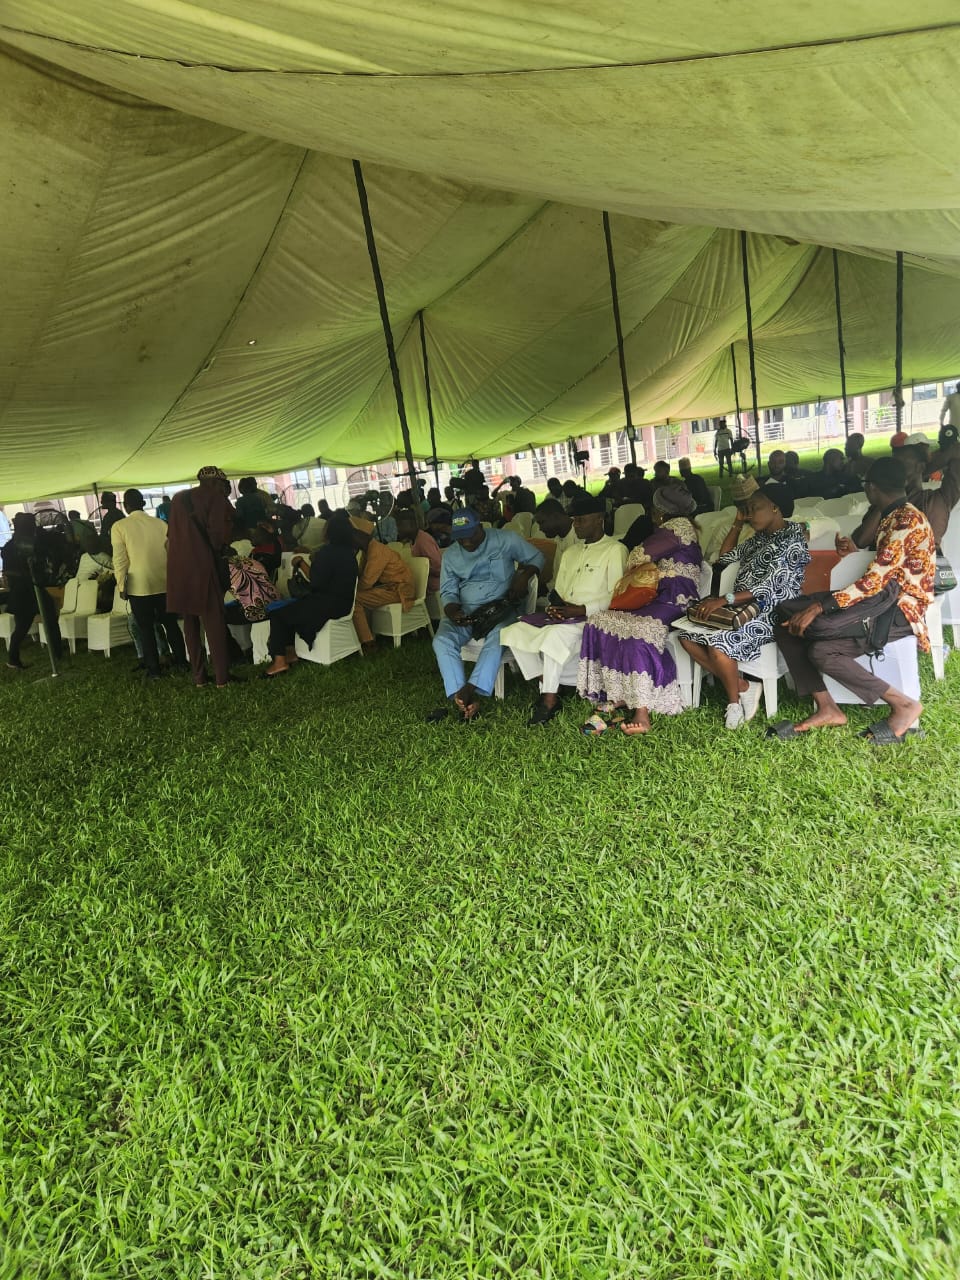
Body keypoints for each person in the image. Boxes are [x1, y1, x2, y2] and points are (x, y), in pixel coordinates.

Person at [773, 457, 935, 742]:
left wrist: (819, 607)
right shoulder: (895, 515)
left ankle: (904, 705)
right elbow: (885, 569)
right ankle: (828, 708)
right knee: (798, 632)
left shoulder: (906, 521)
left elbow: (874, 582)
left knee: (812, 627)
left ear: (871, 488)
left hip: (898, 611)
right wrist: (854, 554)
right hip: (880, 601)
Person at [678, 484, 809, 728]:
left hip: (772, 611)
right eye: (746, 510)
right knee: (687, 638)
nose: (749, 515)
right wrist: (737, 524)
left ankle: (734, 704)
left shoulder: (792, 539)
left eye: (754, 508)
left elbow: (768, 588)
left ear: (774, 508)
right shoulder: (760, 538)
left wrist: (724, 599)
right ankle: (744, 686)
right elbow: (725, 559)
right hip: (741, 607)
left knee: (718, 643)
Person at [578, 484, 703, 735]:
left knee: (638, 634)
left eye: (653, 510)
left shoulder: (677, 527)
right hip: (657, 601)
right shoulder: (677, 527)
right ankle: (620, 694)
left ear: (660, 511)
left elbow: (636, 557)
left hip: (675, 602)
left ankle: (642, 712)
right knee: (600, 621)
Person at [501, 496, 627, 725]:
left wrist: (581, 609)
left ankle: (548, 699)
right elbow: (560, 590)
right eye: (574, 520)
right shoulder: (571, 552)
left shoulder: (615, 550)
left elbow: (616, 596)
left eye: (581, 520)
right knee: (514, 631)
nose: (576, 525)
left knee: (553, 636)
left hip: (592, 618)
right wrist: (556, 608)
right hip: (565, 616)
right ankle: (549, 681)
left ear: (599, 519)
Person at [430, 509, 544, 721]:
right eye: (460, 537)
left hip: (502, 609)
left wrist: (524, 574)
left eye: (470, 535)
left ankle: (471, 688)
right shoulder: (451, 555)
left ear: (480, 527)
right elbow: (448, 591)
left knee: (499, 635)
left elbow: (537, 557)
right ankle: (462, 696)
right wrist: (453, 610)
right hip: (465, 611)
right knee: (442, 640)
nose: (466, 542)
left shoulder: (505, 539)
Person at [263, 511, 359, 677]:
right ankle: (291, 654)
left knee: (279, 614)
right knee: (292, 610)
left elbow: (315, 581)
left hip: (326, 604)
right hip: (344, 604)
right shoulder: (350, 554)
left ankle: (279, 662)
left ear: (329, 533)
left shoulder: (328, 552)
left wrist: (300, 563)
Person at [166, 465, 235, 688]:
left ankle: (199, 678)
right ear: (216, 483)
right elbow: (217, 536)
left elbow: (170, 535)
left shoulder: (178, 498)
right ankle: (222, 678)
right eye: (223, 485)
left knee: (190, 622)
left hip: (178, 567)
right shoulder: (215, 498)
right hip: (204, 565)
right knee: (213, 622)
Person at [111, 488, 187, 680]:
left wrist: (121, 585)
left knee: (146, 628)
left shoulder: (119, 526)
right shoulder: (160, 523)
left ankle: (154, 670)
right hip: (164, 581)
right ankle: (182, 662)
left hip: (139, 585)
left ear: (126, 505)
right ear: (143, 503)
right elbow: (172, 553)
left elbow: (120, 560)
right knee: (170, 624)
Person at [846, 438, 960, 553]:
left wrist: (926, 469)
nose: (894, 470)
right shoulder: (884, 501)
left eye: (901, 465)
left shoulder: (936, 499)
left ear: (920, 467)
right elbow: (861, 540)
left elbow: (956, 452)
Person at [1, 512, 63, 670]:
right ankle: (57, 654)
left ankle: (57, 654)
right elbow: (10, 571)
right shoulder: (15, 547)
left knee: (29, 624)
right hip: (26, 589)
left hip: (26, 588)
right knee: (33, 623)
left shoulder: (13, 546)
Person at [351, 517, 415, 652]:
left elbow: (366, 582)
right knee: (354, 596)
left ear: (361, 536)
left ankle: (368, 643)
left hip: (399, 591)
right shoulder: (369, 550)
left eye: (352, 536)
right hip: (389, 588)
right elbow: (362, 576)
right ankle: (366, 635)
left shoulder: (377, 551)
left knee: (354, 598)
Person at [396, 509, 442, 594]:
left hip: (436, 589)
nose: (398, 529)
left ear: (412, 524)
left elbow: (439, 568)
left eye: (400, 525)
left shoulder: (423, 541)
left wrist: (420, 569)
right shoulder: (414, 539)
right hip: (426, 587)